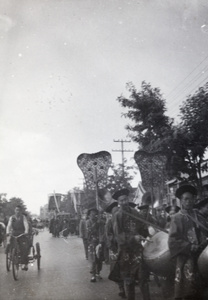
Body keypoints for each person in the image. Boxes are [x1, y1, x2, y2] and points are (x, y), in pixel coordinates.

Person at [168, 184, 208, 300]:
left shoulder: (199, 216)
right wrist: (189, 247)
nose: (189, 201)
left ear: (194, 199)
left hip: (202, 255)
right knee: (188, 287)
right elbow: (173, 241)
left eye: (191, 199)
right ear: (181, 201)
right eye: (185, 199)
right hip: (187, 256)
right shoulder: (177, 218)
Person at [112, 188, 151, 300]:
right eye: (121, 201)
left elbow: (142, 227)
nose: (124, 202)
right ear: (118, 203)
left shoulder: (135, 212)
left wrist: (147, 231)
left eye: (125, 199)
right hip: (125, 251)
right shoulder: (117, 215)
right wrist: (133, 238)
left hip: (138, 250)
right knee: (129, 280)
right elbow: (118, 235)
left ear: (128, 199)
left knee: (143, 278)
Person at [6, 205, 29, 270]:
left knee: (24, 247)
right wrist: (7, 232)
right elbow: (9, 225)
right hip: (14, 233)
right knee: (9, 244)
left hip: (21, 234)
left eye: (19, 210)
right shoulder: (12, 218)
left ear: (21, 211)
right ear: (14, 210)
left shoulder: (23, 217)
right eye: (16, 210)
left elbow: (26, 224)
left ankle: (23, 262)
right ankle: (10, 254)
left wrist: (26, 231)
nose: (17, 211)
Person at [86, 206, 105, 282]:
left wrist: (101, 242)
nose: (93, 215)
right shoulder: (88, 222)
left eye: (95, 213)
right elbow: (90, 231)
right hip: (91, 242)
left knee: (99, 258)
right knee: (93, 258)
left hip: (99, 242)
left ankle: (98, 272)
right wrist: (97, 223)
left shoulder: (100, 222)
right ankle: (93, 274)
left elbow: (102, 232)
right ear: (89, 214)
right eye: (92, 214)